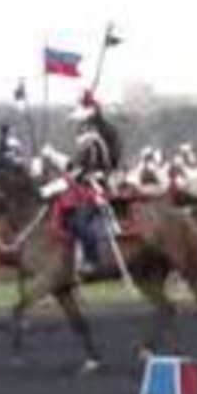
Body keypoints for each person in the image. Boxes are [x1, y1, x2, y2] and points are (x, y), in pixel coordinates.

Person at [63, 90, 122, 276]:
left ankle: (92, 259)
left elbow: (97, 165)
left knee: (78, 219)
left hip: (97, 184)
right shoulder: (88, 138)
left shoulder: (97, 138)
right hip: (83, 183)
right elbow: (76, 166)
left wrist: (75, 173)